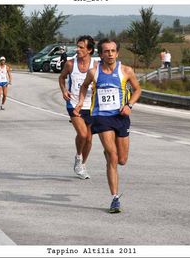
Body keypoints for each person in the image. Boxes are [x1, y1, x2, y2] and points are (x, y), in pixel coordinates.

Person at [74, 38, 141, 213]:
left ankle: (109, 151)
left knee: (122, 160)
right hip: (101, 118)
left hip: (120, 117)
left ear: (117, 53)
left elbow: (138, 90)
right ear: (101, 54)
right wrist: (81, 102)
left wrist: (129, 105)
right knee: (112, 157)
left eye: (112, 51)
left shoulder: (126, 71)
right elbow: (84, 87)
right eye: (106, 51)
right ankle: (115, 198)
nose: (110, 54)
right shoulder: (94, 72)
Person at [59, 35, 96, 179]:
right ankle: (78, 157)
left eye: (81, 47)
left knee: (89, 139)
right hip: (73, 104)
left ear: (90, 50)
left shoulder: (95, 65)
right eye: (77, 46)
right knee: (83, 134)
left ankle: (82, 165)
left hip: (91, 106)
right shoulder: (70, 64)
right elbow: (61, 78)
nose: (77, 49)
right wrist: (64, 90)